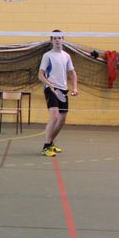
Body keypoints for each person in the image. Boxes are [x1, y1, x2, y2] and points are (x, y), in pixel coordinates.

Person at [37, 29, 78, 157]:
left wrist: (75, 88)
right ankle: (45, 146)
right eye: (55, 38)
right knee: (54, 117)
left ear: (63, 40)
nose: (57, 40)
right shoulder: (47, 56)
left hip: (63, 89)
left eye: (59, 37)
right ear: (51, 40)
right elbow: (40, 75)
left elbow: (72, 73)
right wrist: (49, 84)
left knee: (62, 120)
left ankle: (51, 143)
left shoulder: (66, 56)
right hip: (51, 88)